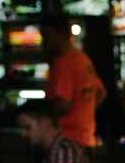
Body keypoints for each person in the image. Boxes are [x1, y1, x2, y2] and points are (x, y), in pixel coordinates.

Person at [41, 16, 105, 149]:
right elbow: (101, 93)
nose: (44, 42)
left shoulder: (63, 63)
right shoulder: (82, 59)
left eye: (47, 36)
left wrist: (41, 117)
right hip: (86, 138)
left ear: (61, 35)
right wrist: (83, 112)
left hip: (67, 140)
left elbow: (63, 104)